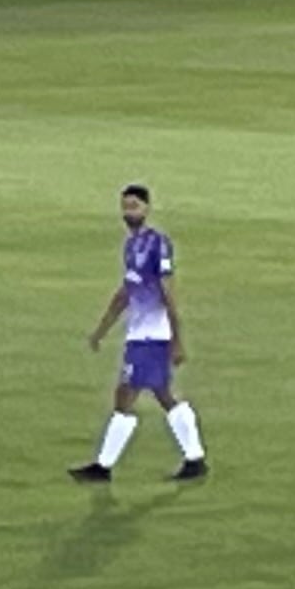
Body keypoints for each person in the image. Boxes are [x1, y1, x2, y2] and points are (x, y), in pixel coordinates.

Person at [72, 185, 207, 483]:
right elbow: (126, 292)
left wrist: (177, 340)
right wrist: (101, 329)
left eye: (134, 206)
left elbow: (169, 293)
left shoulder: (158, 245)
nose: (128, 213)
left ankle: (103, 466)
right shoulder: (131, 247)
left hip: (152, 336)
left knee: (126, 395)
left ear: (147, 208)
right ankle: (195, 459)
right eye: (125, 207)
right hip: (140, 333)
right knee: (162, 394)